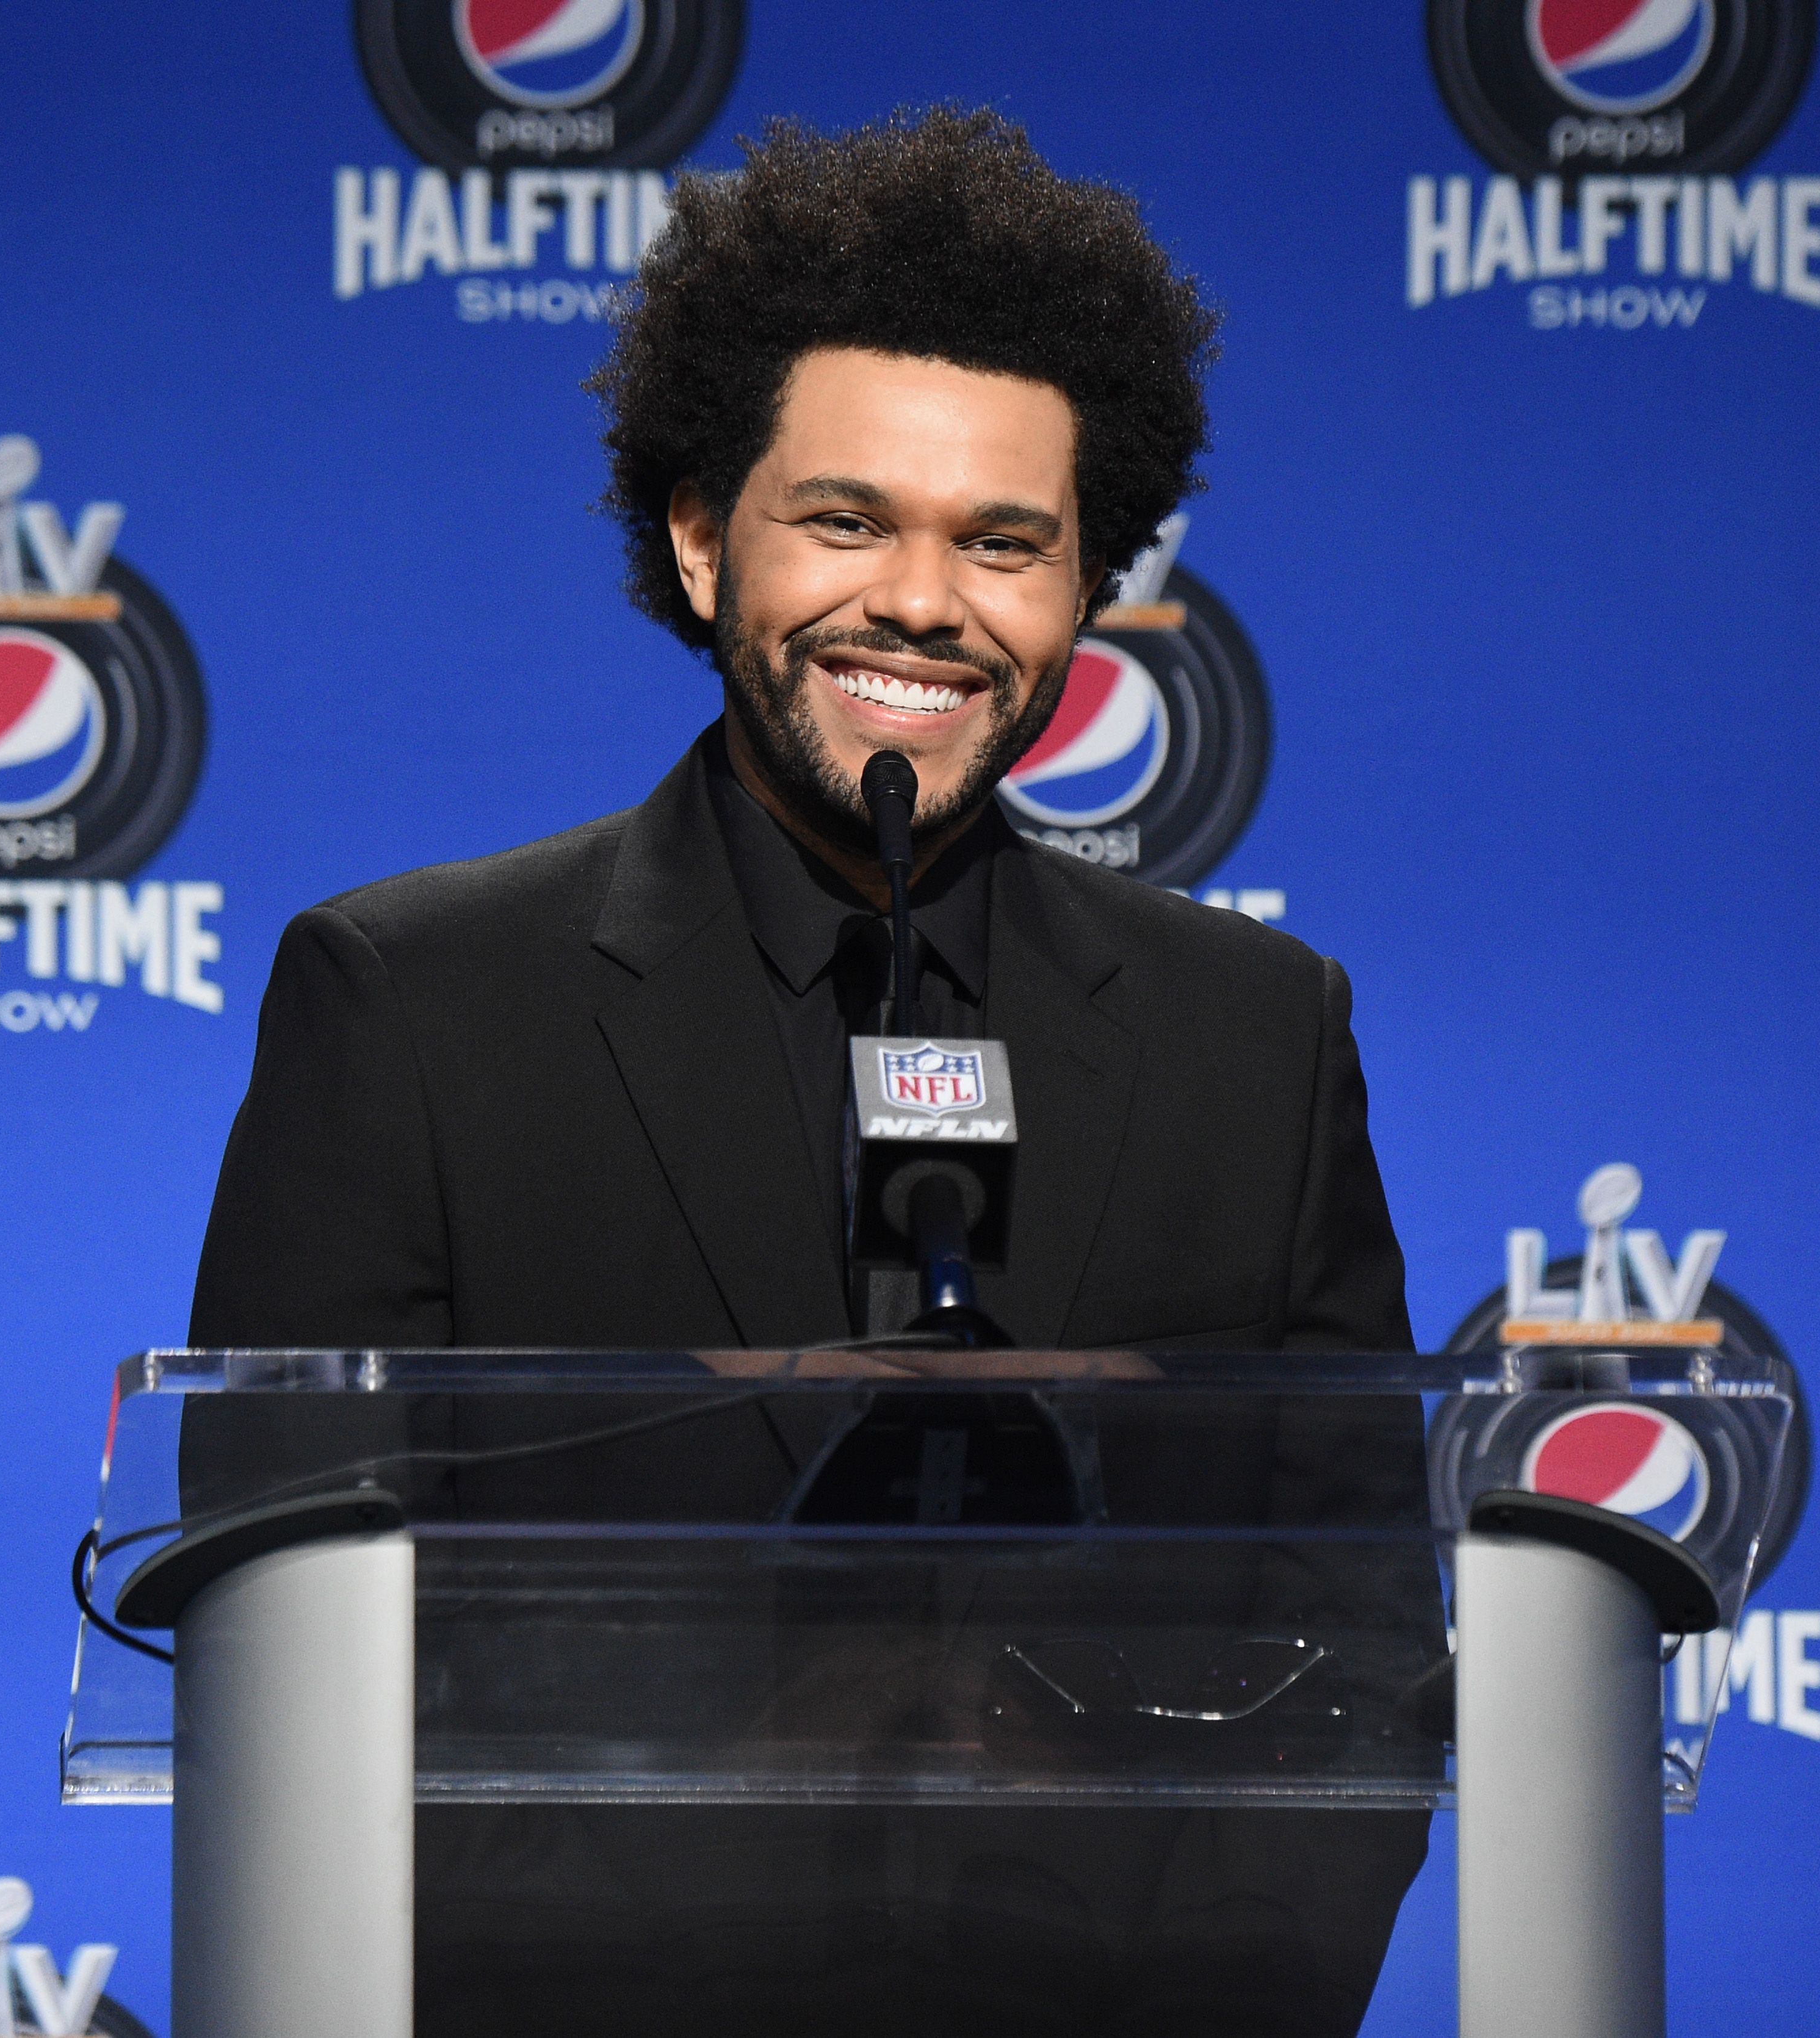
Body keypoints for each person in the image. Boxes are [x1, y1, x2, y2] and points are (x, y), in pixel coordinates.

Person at [189, 108, 1434, 2038]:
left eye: (1005, 541)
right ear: (700, 540)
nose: (925, 602)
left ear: (1087, 585)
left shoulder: (1259, 1040)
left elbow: (1359, 1651)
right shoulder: (414, 1005)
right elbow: (296, 1668)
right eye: (846, 520)